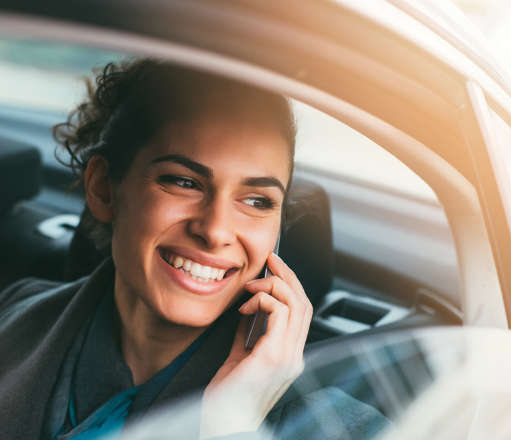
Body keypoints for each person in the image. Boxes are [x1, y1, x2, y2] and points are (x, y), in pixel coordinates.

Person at [0, 59, 388, 440]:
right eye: (184, 182)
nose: (216, 230)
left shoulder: (339, 423)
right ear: (104, 188)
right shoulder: (17, 313)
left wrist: (233, 424)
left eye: (257, 201)